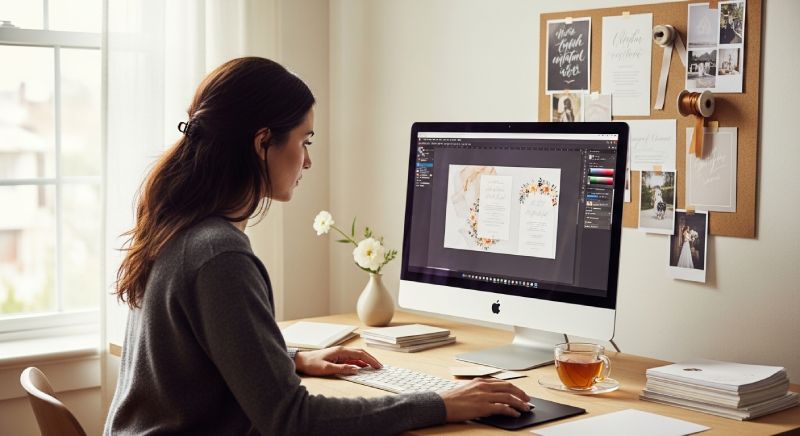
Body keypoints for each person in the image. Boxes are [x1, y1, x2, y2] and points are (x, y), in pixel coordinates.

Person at [104, 57, 531, 435]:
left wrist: (289, 359)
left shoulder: (181, 226)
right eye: (304, 141)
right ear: (262, 143)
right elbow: (292, 419)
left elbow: (198, 354)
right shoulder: (219, 254)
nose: (307, 161)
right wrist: (440, 403)